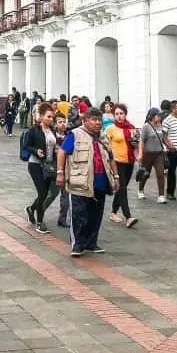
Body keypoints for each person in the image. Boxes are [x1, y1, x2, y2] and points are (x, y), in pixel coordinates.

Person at [56, 106, 118, 256]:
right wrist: (60, 173)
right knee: (79, 214)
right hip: (80, 182)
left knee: (95, 215)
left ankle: (91, 243)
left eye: (99, 120)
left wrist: (116, 176)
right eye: (93, 119)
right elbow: (62, 152)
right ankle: (77, 245)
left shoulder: (103, 137)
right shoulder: (75, 135)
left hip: (100, 182)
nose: (97, 123)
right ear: (85, 120)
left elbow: (110, 157)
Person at [24, 101, 56, 234]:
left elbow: (53, 146)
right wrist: (36, 151)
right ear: (41, 116)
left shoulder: (52, 130)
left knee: (45, 192)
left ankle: (31, 209)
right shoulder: (34, 130)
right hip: (35, 164)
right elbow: (26, 145)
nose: (51, 119)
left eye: (52, 117)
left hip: (48, 166)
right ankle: (40, 222)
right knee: (42, 192)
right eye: (48, 116)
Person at [106, 103, 139, 227]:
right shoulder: (110, 129)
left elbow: (136, 144)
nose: (119, 116)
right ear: (114, 115)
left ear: (125, 114)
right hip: (116, 162)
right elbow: (105, 145)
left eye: (122, 114)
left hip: (129, 161)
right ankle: (128, 216)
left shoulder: (131, 128)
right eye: (117, 114)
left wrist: (136, 146)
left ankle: (113, 212)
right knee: (122, 189)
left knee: (121, 188)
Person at [136, 108, 167, 203]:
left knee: (160, 173)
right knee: (145, 174)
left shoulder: (160, 126)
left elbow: (164, 138)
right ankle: (140, 190)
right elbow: (141, 141)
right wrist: (140, 153)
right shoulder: (146, 126)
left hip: (159, 154)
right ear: (153, 117)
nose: (160, 117)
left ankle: (161, 195)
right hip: (148, 154)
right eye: (158, 115)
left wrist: (171, 146)